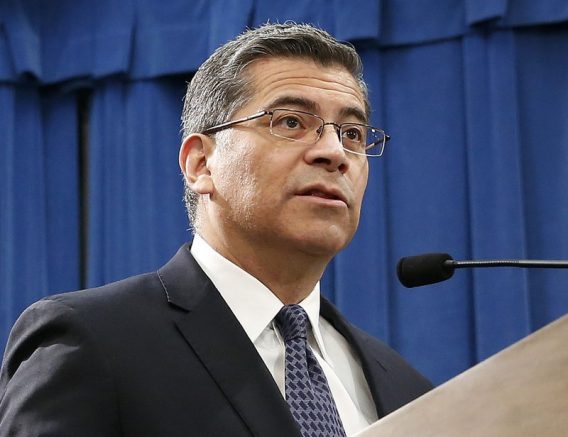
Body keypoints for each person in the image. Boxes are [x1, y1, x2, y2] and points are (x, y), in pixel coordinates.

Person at [0, 23, 432, 436]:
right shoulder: (94, 339)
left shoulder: (407, 389)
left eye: (353, 134)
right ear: (201, 164)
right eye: (291, 122)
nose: (335, 153)